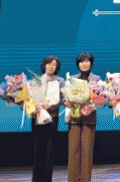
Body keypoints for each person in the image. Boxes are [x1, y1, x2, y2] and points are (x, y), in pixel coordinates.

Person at [66, 52, 100, 182]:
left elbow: (101, 98)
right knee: (73, 150)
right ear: (78, 64)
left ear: (91, 63)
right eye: (81, 61)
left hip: (89, 118)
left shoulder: (96, 79)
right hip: (74, 118)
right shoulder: (72, 79)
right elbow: (66, 96)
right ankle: (73, 179)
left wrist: (94, 103)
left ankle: (85, 179)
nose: (84, 64)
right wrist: (67, 101)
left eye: (87, 61)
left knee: (87, 152)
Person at [32, 56, 64, 182]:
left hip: (52, 118)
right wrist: (33, 106)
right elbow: (30, 97)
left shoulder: (60, 81)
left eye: (54, 64)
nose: (51, 66)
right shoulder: (36, 80)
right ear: (44, 65)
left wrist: (51, 106)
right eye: (49, 64)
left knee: (49, 151)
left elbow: (62, 99)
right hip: (37, 117)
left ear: (57, 67)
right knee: (37, 150)